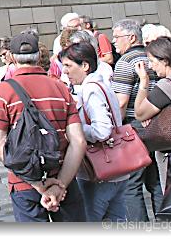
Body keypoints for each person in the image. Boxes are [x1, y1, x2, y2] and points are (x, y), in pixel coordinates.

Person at [0, 30, 87, 222]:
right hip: (62, 177)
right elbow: (79, 142)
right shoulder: (60, 88)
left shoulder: (2, 92)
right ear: (38, 56)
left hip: (23, 183)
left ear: (12, 58)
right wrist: (59, 185)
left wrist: (38, 185)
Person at [59, 42, 129, 221]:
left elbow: (102, 130)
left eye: (68, 66)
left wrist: (75, 129)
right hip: (117, 168)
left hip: (99, 170)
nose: (65, 71)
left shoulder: (91, 88)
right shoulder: (101, 84)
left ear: (85, 66)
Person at [110, 19, 161, 221]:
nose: (114, 41)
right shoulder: (153, 56)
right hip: (157, 125)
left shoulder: (125, 62)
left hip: (134, 127)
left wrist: (114, 127)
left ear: (131, 37)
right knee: (157, 181)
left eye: (117, 37)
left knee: (132, 185)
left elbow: (121, 102)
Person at [132, 37, 171, 193]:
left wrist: (144, 81)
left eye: (152, 61)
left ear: (165, 60)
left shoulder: (167, 85)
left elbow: (140, 113)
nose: (151, 67)